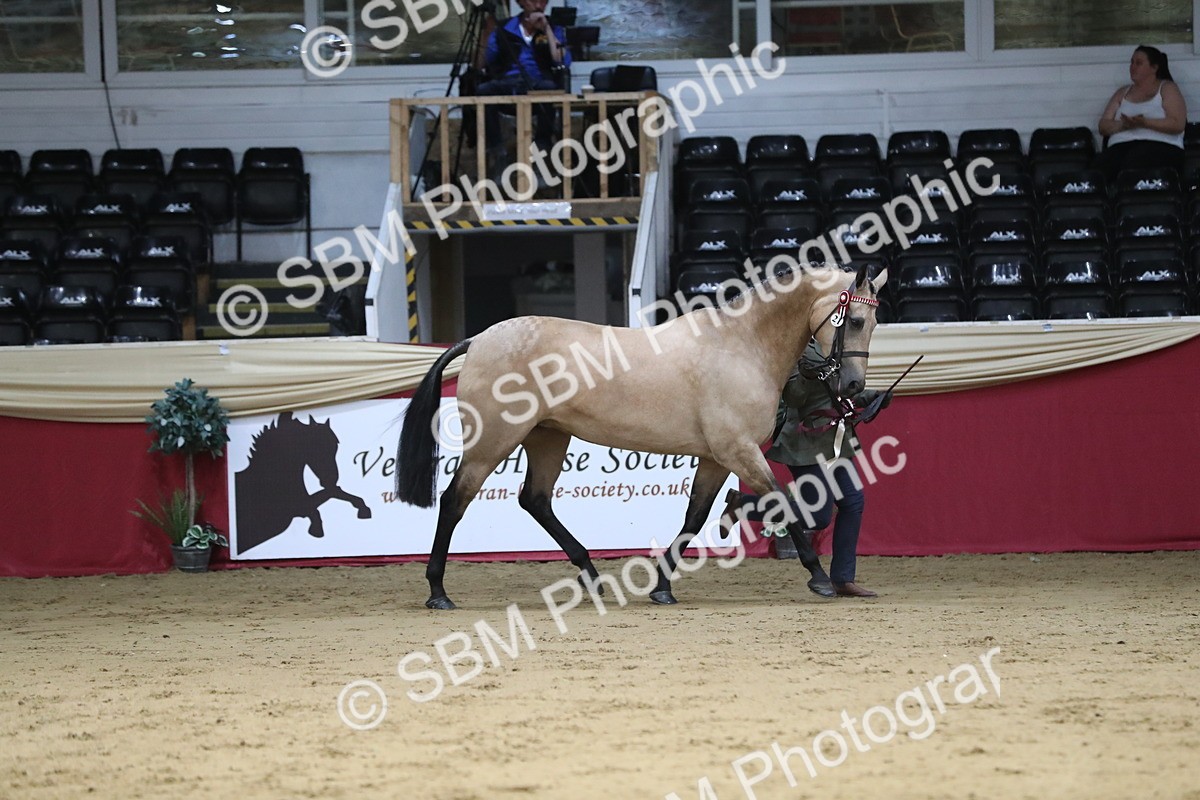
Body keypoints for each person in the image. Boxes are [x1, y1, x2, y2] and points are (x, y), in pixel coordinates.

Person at [718, 338, 891, 598]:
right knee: (818, 516)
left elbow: (842, 391)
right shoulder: (795, 347)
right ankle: (745, 506)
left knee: (853, 502)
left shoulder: (838, 347)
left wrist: (872, 397)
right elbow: (795, 398)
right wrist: (808, 377)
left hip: (835, 439)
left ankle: (843, 579)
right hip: (803, 440)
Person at [476, 0, 571, 160]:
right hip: (508, 81)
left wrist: (547, 29)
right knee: (484, 90)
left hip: (537, 82)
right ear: (521, 2)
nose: (539, 6)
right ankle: (496, 149)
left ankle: (543, 143)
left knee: (549, 88)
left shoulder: (554, 27)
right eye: (534, 1)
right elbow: (481, 63)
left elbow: (561, 60)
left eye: (543, 1)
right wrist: (486, 34)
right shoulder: (504, 27)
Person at [1094, 45, 1187, 185]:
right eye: (1131, 62)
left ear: (1154, 67)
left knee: (1134, 162)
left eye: (1138, 63)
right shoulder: (1123, 92)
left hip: (1160, 147)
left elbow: (1177, 124)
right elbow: (1103, 125)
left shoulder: (1167, 88)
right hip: (1120, 147)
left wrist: (1144, 123)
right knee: (1097, 170)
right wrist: (1124, 125)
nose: (1132, 66)